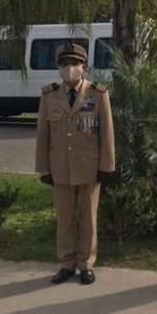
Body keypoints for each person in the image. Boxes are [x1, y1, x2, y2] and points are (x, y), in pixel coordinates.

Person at [36, 43, 115, 285]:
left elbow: (107, 133)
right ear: (58, 67)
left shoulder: (98, 94)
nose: (69, 68)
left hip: (89, 168)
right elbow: (43, 135)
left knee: (89, 219)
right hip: (60, 168)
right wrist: (44, 168)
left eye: (74, 63)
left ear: (84, 67)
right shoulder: (49, 96)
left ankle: (86, 264)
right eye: (64, 64)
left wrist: (107, 166)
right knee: (65, 220)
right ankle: (67, 263)